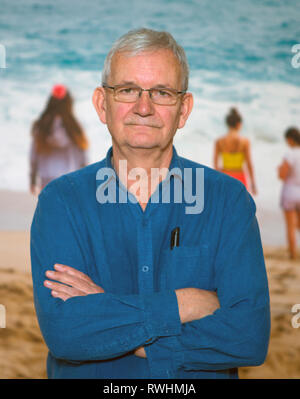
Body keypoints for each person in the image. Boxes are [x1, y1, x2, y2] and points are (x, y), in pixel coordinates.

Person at [30, 28, 270, 379]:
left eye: (161, 93)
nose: (144, 107)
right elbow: (67, 334)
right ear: (102, 104)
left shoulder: (228, 201)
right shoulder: (60, 202)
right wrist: (184, 303)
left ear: (183, 109)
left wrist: (109, 312)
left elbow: (248, 338)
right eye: (127, 90)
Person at [29, 84, 89, 195]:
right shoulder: (74, 128)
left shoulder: (41, 127)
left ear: (50, 103)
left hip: (46, 181)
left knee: (49, 211)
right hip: (70, 181)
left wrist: (32, 180)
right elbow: (83, 159)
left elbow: (34, 157)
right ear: (69, 103)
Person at [213, 108, 257, 194]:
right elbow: (249, 163)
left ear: (228, 124)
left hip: (225, 177)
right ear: (238, 124)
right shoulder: (245, 142)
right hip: (240, 178)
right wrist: (253, 183)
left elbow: (216, 165)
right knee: (239, 206)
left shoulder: (219, 141)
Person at [278, 127, 300, 260]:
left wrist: (279, 169)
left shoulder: (290, 154)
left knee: (290, 226)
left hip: (290, 191)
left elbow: (282, 175)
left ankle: (293, 254)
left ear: (290, 139)